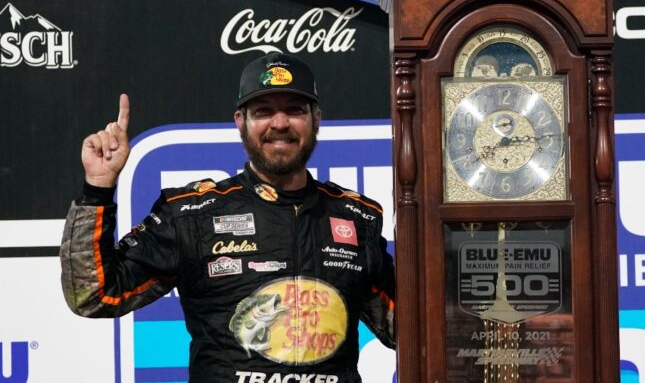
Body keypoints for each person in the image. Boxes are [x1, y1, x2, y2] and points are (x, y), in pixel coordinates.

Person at [60, 52, 396, 383]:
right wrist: (98, 189)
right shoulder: (192, 214)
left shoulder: (356, 218)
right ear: (240, 121)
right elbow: (94, 296)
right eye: (264, 111)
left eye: (294, 110)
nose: (279, 123)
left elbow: (408, 328)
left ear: (316, 119)